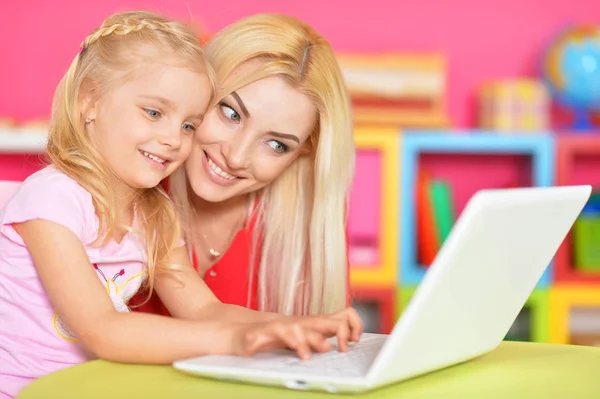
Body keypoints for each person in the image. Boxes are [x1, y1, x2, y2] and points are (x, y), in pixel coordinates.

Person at [0, 11, 361, 399]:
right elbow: (101, 330)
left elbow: (206, 311)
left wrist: (290, 327)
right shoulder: (52, 198)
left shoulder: (154, 214)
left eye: (188, 124)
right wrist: (236, 340)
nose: (173, 138)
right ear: (90, 102)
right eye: (154, 113)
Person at [135, 13, 356, 317]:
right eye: (231, 113)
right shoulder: (130, 186)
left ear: (302, 152)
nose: (236, 157)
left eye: (277, 144)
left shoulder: (312, 220)